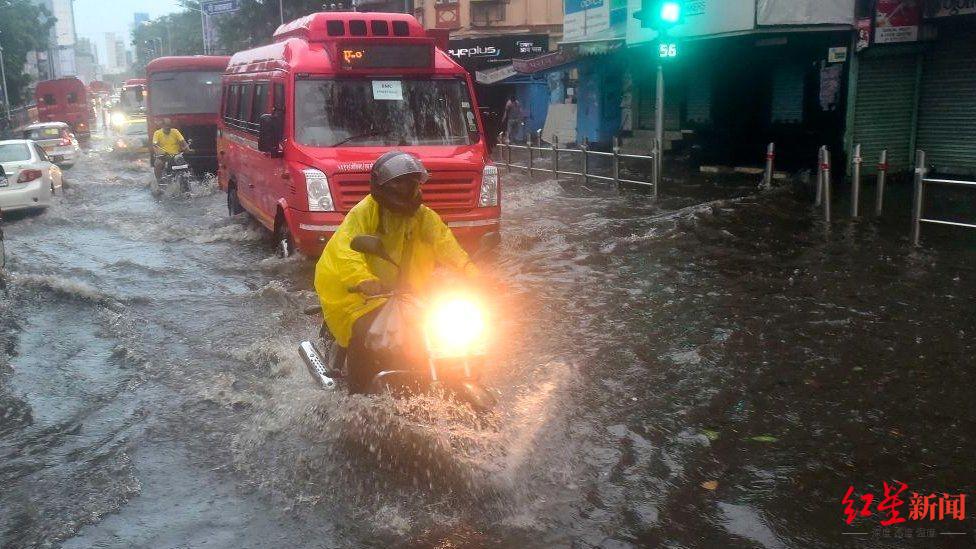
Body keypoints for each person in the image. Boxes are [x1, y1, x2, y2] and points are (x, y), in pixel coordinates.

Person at [314, 151, 478, 393]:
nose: (405, 188)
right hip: (358, 294)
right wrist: (363, 279)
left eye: (410, 181)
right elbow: (345, 250)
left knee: (438, 330)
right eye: (398, 182)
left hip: (404, 294)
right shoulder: (364, 213)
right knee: (363, 333)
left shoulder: (423, 216)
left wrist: (472, 272)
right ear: (382, 186)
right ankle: (357, 396)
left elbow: (445, 244)